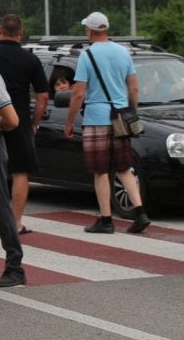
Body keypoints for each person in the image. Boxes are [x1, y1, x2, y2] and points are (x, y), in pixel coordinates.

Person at [64, 12, 151, 234]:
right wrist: (132, 109)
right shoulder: (123, 53)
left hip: (96, 118)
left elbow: (78, 93)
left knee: (100, 171)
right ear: (106, 29)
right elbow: (134, 87)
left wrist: (69, 121)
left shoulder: (87, 56)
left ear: (90, 31)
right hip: (121, 118)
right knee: (124, 168)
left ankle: (106, 220)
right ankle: (140, 212)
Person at [0, 13, 49, 236]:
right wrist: (34, 123)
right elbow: (43, 97)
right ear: (21, 32)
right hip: (18, 119)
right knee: (20, 171)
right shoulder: (30, 59)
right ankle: (16, 222)